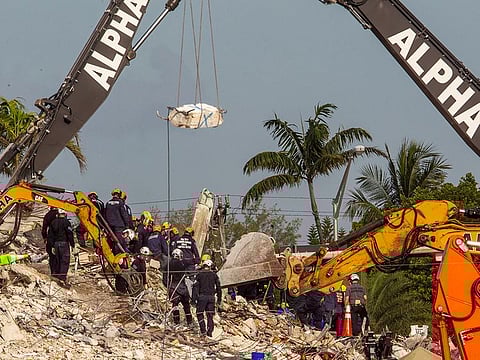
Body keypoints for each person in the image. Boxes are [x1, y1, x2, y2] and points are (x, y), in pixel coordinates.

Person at [47, 208, 76, 288]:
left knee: (57, 260)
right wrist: (73, 245)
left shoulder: (53, 222)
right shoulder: (66, 222)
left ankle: (56, 276)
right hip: (64, 244)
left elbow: (50, 235)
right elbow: (69, 234)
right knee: (64, 261)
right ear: (65, 214)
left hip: (56, 244)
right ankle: (62, 278)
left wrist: (52, 245)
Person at [192, 259, 222, 337]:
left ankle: (203, 331)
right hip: (211, 298)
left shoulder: (199, 275)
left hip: (202, 298)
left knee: (199, 313)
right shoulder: (214, 275)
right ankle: (210, 332)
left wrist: (193, 300)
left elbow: (195, 288)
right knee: (209, 315)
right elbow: (219, 287)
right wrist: (219, 299)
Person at [167, 248, 193, 327]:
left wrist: (168, 286)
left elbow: (165, 278)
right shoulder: (183, 264)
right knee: (186, 306)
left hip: (173, 288)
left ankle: (176, 322)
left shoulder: (168, 264)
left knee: (175, 306)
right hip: (182, 288)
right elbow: (189, 271)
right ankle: (190, 322)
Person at [105, 188, 130, 254]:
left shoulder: (108, 203)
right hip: (119, 225)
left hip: (110, 226)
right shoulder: (120, 202)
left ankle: (114, 254)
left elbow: (105, 214)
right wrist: (127, 225)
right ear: (119, 194)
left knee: (113, 241)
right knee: (120, 242)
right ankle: (121, 255)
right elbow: (124, 214)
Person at [42, 207, 58, 275]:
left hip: (50, 238)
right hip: (60, 239)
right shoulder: (60, 215)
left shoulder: (47, 215)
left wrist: (45, 237)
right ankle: (59, 273)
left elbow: (44, 228)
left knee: (52, 257)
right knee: (59, 257)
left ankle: (53, 272)